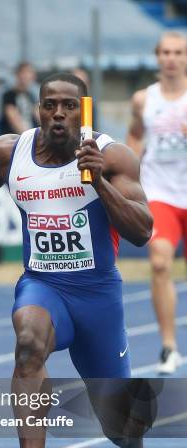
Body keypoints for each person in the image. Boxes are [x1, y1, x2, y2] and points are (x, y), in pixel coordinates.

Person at [0, 72, 161, 448]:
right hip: (44, 284)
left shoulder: (112, 156)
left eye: (69, 106)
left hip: (98, 296)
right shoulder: (8, 152)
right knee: (27, 343)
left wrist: (99, 183)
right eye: (49, 105)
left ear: (84, 109)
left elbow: (142, 231)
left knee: (118, 423)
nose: (58, 114)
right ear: (37, 109)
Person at [127, 31, 187, 374]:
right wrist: (127, 175)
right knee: (161, 263)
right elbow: (135, 134)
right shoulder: (142, 99)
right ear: (157, 56)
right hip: (160, 192)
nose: (171, 58)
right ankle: (168, 346)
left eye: (178, 52)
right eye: (165, 52)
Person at [0, 62, 39, 135]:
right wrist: (29, 138)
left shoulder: (31, 96)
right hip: (14, 139)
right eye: (24, 72)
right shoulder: (9, 95)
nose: (26, 76)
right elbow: (13, 118)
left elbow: (39, 115)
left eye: (29, 73)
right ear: (17, 75)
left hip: (30, 137)